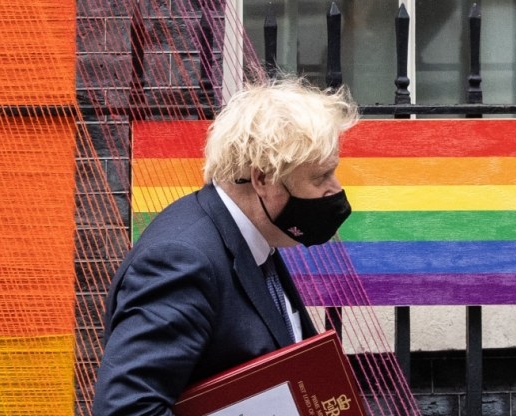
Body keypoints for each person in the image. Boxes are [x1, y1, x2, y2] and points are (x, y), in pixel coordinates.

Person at [92, 77, 359, 415]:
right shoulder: (181, 261)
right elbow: (126, 409)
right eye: (320, 177)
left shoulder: (255, 239)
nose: (334, 190)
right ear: (261, 178)